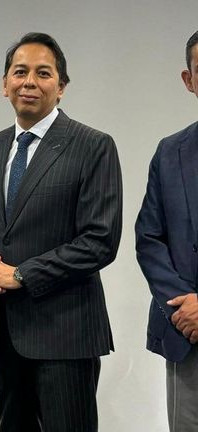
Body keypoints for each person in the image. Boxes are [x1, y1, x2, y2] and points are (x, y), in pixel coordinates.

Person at [0, 32, 122, 432]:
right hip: (4, 333)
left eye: (43, 73)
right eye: (20, 72)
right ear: (5, 84)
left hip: (65, 333)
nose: (29, 82)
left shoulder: (93, 146)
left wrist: (20, 275)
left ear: (61, 86)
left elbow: (99, 241)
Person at [135, 30, 198, 432]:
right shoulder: (169, 151)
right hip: (188, 332)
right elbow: (149, 239)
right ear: (189, 80)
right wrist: (187, 307)